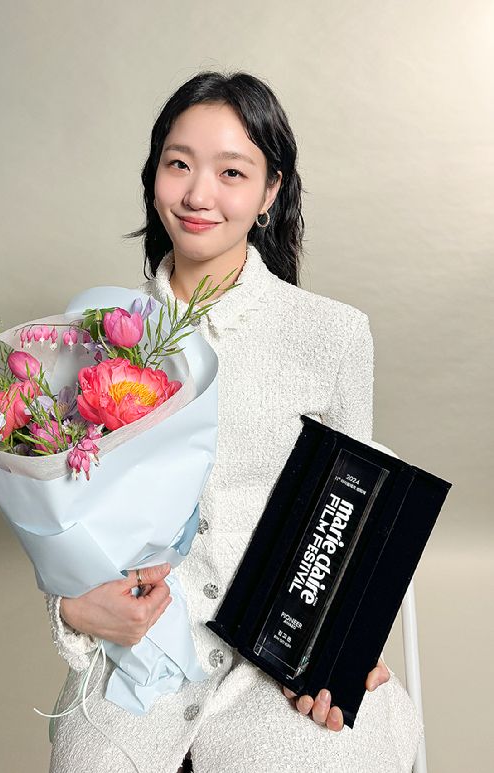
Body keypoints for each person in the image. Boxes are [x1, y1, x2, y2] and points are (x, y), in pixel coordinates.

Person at [44, 71, 423, 773]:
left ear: (271, 191)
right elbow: (61, 522)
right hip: (139, 652)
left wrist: (342, 643)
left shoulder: (334, 335)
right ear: (153, 175)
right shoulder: (92, 337)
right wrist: (72, 611)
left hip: (280, 661)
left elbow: (356, 523)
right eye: (178, 164)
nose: (198, 195)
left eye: (232, 172)